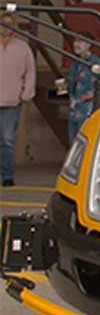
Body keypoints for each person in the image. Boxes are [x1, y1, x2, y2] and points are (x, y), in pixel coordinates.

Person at [1, 12, 37, 187]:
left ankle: (7, 176)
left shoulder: (23, 48)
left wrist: (26, 94)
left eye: (9, 23)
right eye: (3, 23)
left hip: (11, 103)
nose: (6, 27)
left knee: (7, 139)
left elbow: (30, 72)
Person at [67, 34, 100, 142]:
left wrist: (93, 94)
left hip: (87, 107)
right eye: (75, 41)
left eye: (80, 41)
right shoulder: (75, 62)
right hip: (74, 106)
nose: (76, 44)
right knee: (72, 141)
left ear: (89, 45)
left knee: (84, 140)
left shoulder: (95, 62)